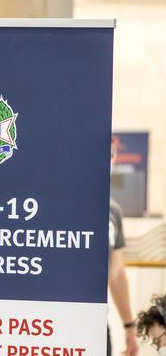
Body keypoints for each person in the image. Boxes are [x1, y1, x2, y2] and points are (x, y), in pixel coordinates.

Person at [108, 142, 138, 356]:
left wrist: (129, 327)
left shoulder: (113, 211)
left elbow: (116, 274)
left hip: (97, 321)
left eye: (110, 155)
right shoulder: (59, 205)